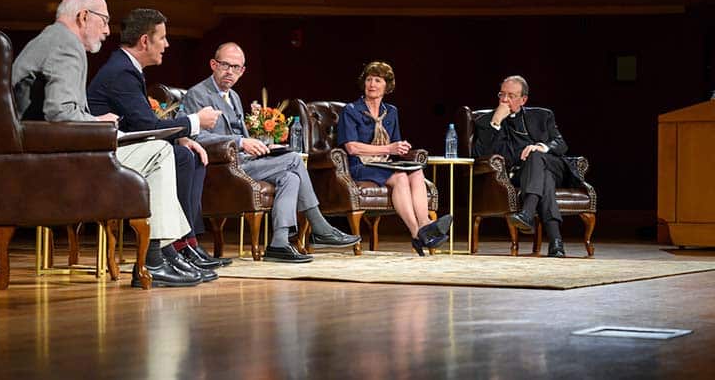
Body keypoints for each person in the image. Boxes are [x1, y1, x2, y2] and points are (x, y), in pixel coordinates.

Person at [11, 0, 202, 287]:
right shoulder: (65, 45)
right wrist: (99, 124)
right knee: (160, 152)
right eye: (103, 21)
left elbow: (60, 110)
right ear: (83, 16)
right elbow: (60, 114)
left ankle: (163, 253)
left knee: (158, 151)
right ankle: (158, 256)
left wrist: (94, 120)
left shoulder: (50, 40)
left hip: (49, 151)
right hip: (58, 159)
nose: (106, 31)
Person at [182, 42, 362, 263]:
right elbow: (195, 138)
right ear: (213, 64)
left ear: (243, 71)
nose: (230, 72)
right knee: (294, 160)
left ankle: (279, 242)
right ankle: (319, 226)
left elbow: (245, 137)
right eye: (225, 65)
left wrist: (263, 145)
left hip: (245, 161)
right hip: (223, 167)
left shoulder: (234, 96)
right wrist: (240, 142)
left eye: (236, 67)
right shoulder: (198, 94)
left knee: (290, 177)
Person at [87, 8, 232, 274]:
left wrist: (182, 137)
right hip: (103, 160)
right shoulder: (121, 71)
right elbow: (148, 126)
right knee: (175, 155)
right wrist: (196, 121)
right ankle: (165, 250)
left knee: (187, 154)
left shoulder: (127, 67)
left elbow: (139, 125)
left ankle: (183, 243)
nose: (166, 45)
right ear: (145, 40)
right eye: (162, 38)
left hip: (125, 150)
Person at [337, 61, 452, 256]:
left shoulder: (391, 112)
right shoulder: (351, 110)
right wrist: (388, 147)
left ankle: (424, 223)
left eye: (378, 80)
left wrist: (401, 148)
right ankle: (417, 233)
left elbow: (395, 144)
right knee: (399, 177)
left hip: (385, 163)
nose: (372, 84)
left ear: (387, 86)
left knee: (416, 170)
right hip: (360, 165)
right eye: (369, 79)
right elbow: (351, 147)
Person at [472, 75, 583, 257]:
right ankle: (555, 242)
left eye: (511, 95)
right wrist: (496, 122)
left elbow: (561, 144)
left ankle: (528, 213)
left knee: (536, 156)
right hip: (522, 174)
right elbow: (478, 155)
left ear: (523, 99)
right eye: (502, 94)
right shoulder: (486, 121)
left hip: (554, 167)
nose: (504, 100)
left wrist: (541, 147)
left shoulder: (542, 115)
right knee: (543, 180)